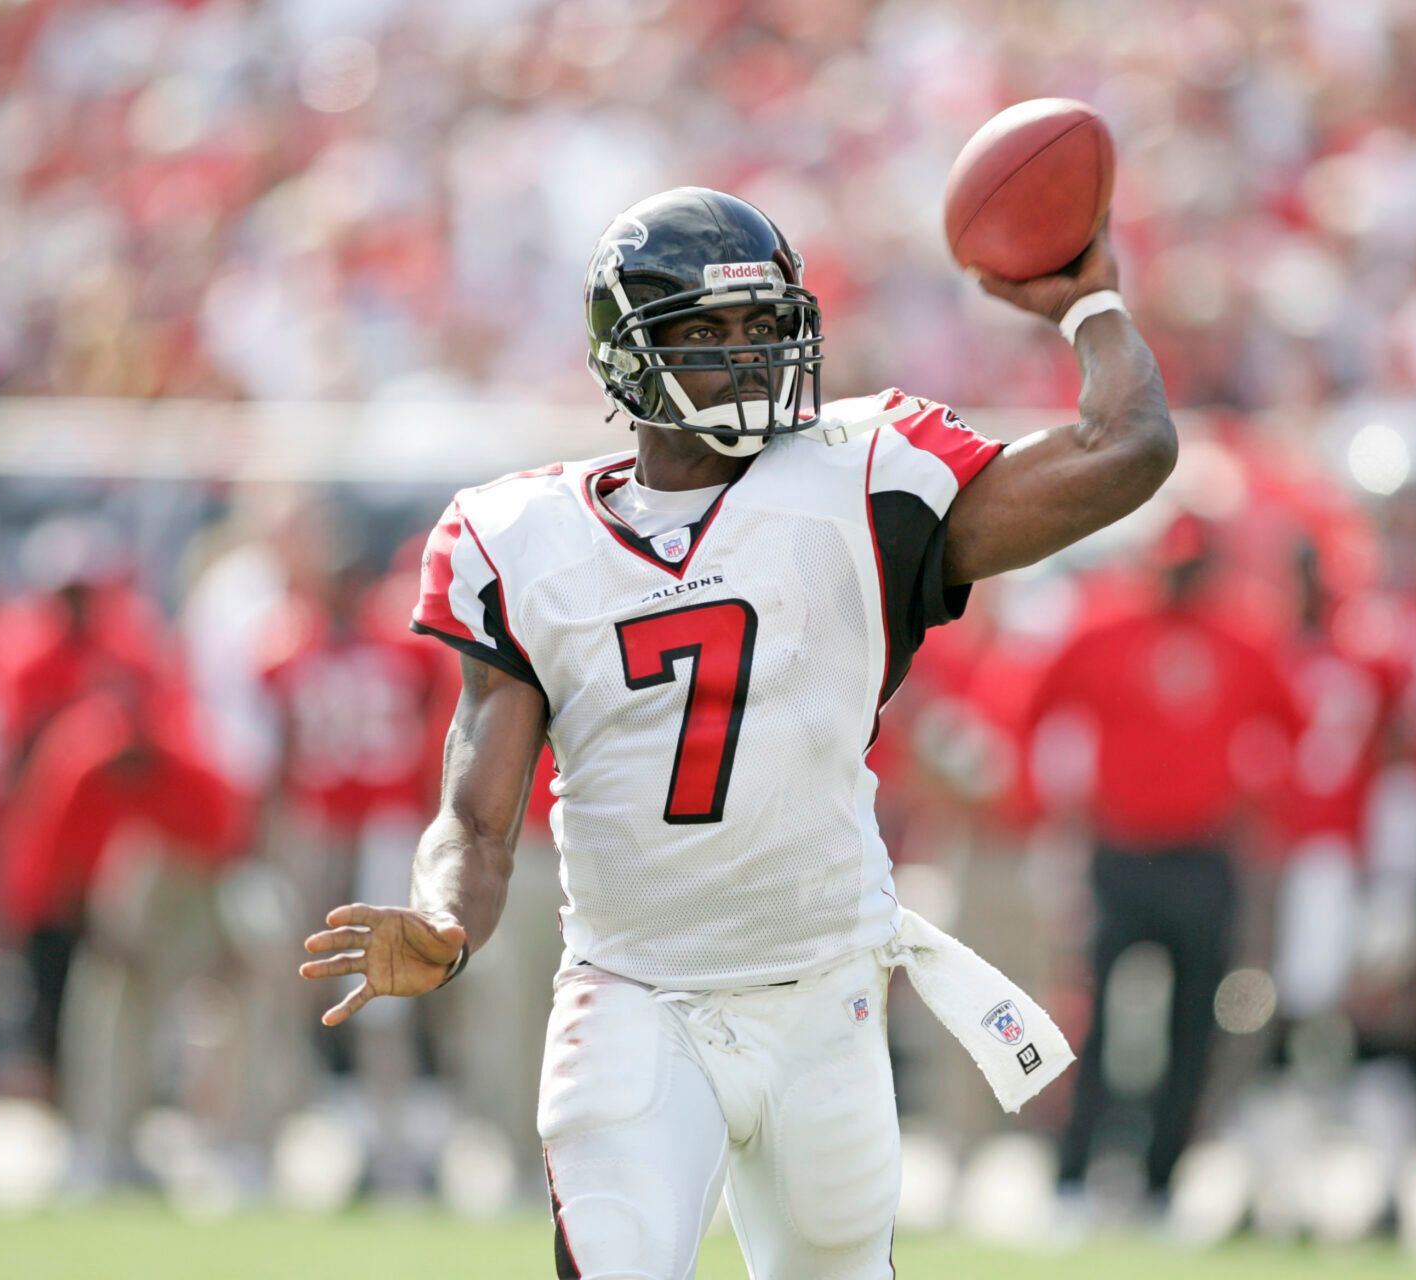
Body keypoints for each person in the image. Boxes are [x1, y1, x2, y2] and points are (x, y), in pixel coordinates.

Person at [299, 186, 1176, 1277]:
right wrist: (442, 919)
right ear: (626, 355)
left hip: (826, 993)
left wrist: (1091, 307)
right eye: (707, 331)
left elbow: (1124, 449)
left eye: (766, 325)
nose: (750, 354)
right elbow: (476, 821)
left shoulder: (864, 477)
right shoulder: (519, 537)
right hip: (635, 992)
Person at [1029, 513, 1299, 1209]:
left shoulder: (1244, 639)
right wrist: (1062, 812)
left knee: (1193, 1023)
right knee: (1098, 1016)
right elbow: (1038, 713)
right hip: (1122, 851)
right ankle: (1074, 1172)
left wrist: (1250, 798)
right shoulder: (1106, 632)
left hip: (1202, 855)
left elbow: (1294, 732)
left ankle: (1160, 1179)